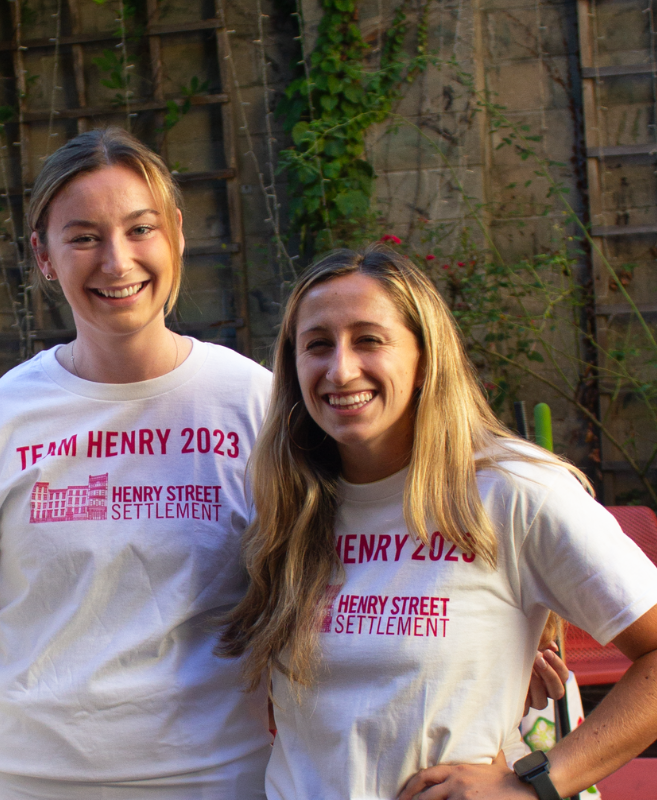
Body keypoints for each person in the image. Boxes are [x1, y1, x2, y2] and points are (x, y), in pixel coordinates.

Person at [219, 246, 657, 800]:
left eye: (369, 340)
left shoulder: (515, 491)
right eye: (318, 345)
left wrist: (539, 783)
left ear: (425, 359)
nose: (341, 368)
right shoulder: (287, 507)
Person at [0, 127, 276, 799]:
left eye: (140, 229)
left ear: (177, 233)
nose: (117, 263)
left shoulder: (253, 405)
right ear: (44, 256)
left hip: (213, 777)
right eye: (84, 237)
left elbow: (341, 564)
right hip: (26, 779)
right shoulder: (1, 416)